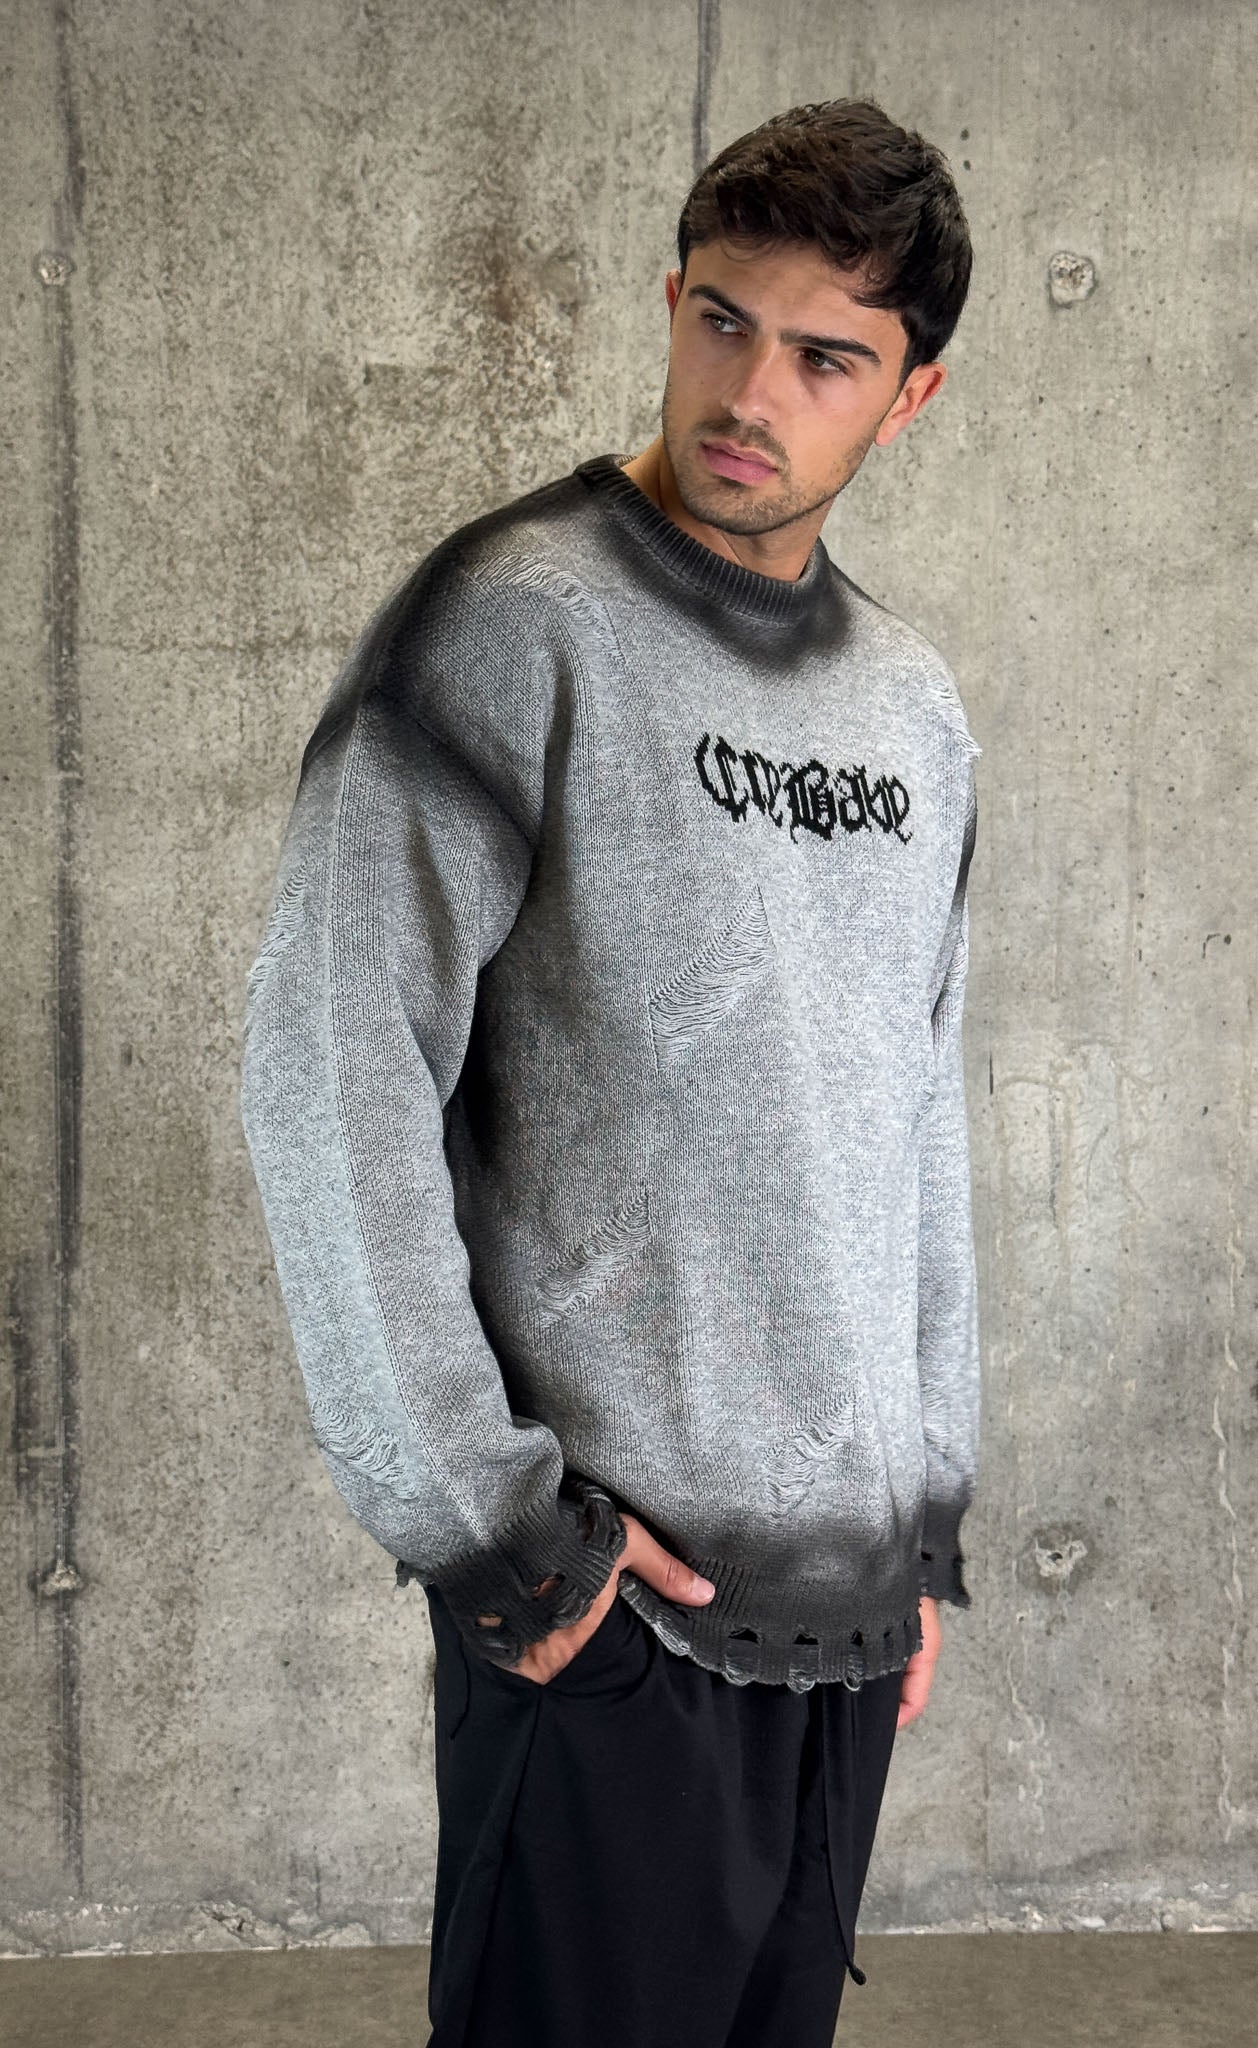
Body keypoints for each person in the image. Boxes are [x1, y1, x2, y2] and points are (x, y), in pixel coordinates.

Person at [240, 96, 980, 2048]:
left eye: (823, 358)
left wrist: (915, 1519)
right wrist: (497, 1536)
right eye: (721, 322)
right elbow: (330, 1076)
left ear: (907, 396)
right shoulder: (507, 626)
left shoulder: (909, 713)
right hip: (612, 1614)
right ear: (669, 305)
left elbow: (911, 1117)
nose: (752, 392)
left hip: (842, 1636)